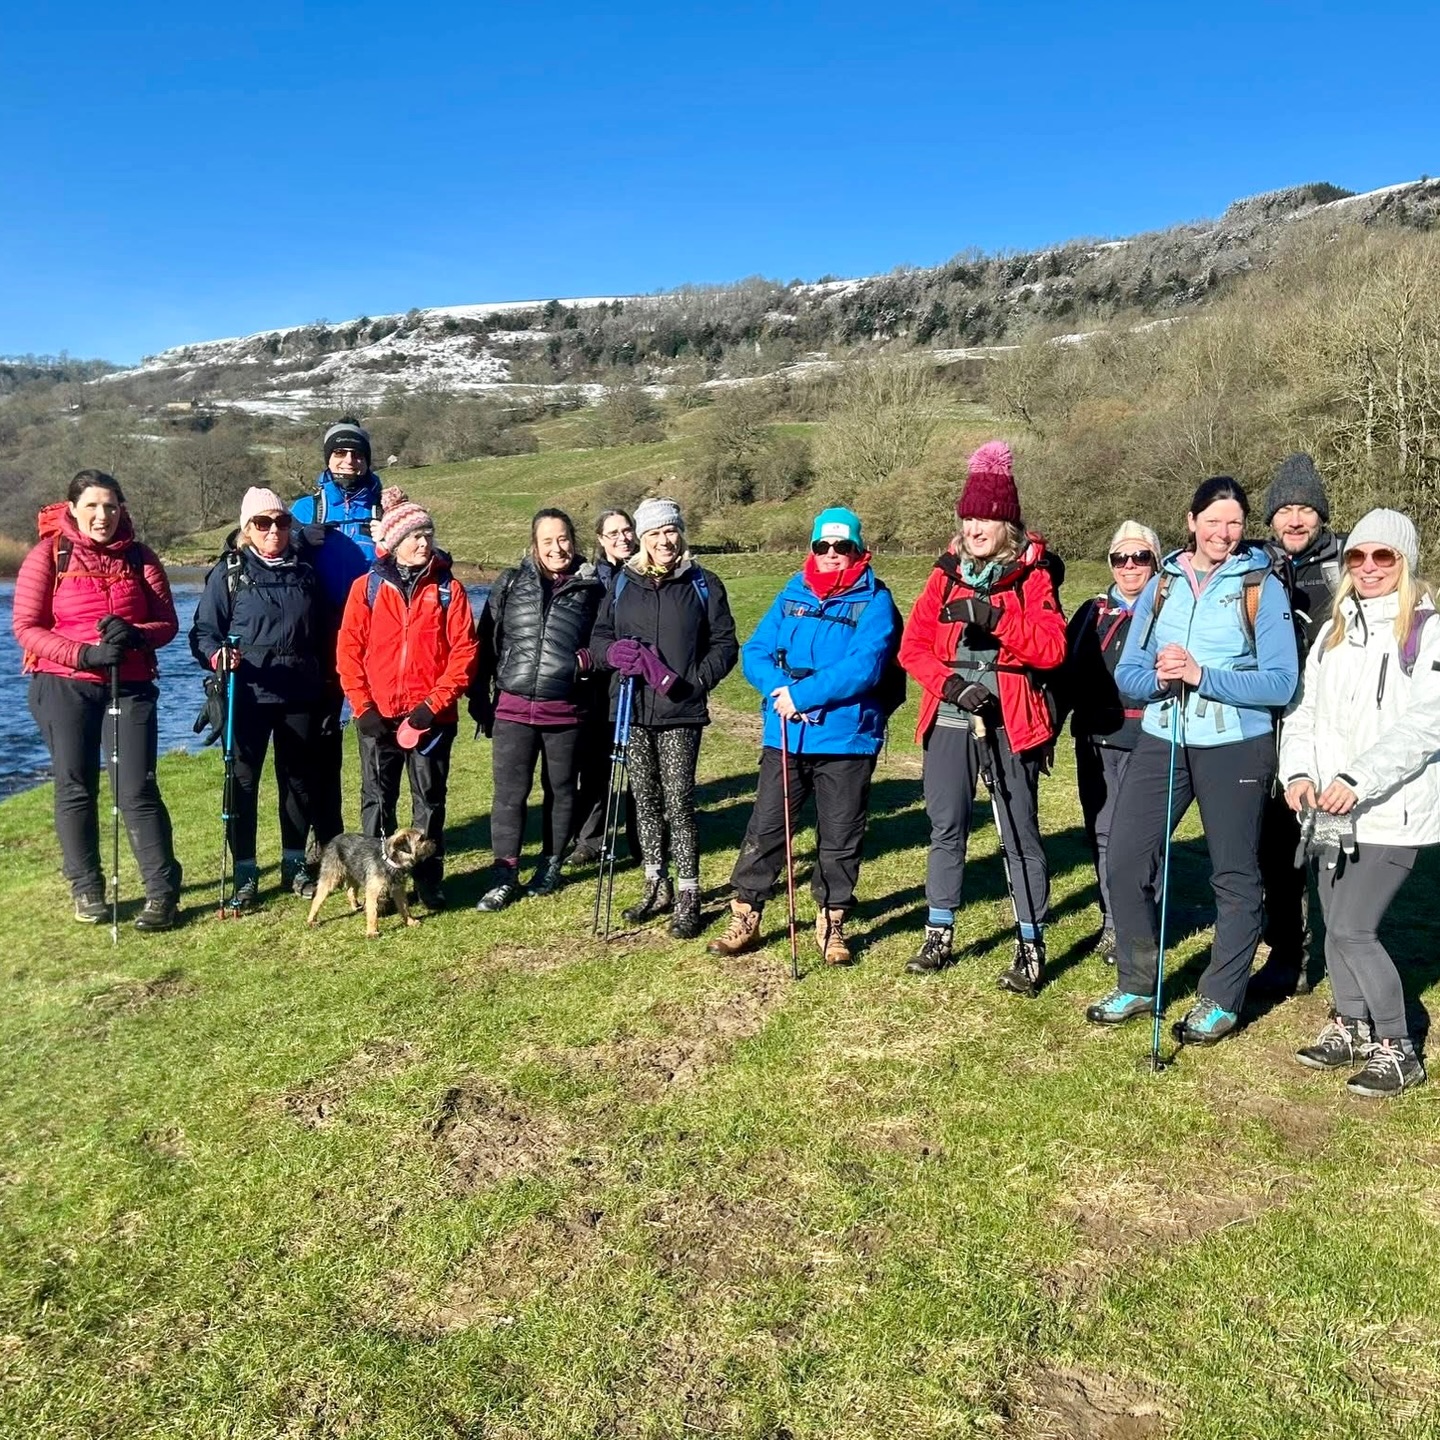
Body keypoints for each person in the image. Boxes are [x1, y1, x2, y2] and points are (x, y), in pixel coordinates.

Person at [1087, 476, 1299, 1045]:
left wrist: (1203, 676)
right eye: (1213, 521)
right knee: (1127, 859)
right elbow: (1129, 674)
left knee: (1232, 875)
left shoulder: (1260, 585)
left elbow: (1281, 683)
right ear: (1191, 521)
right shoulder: (1162, 585)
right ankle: (1137, 981)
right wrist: (1160, 677)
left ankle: (1222, 997)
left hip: (1236, 744)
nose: (1223, 533)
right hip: (1163, 736)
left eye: (1233, 522)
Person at [898, 441, 1066, 994]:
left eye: (987, 517)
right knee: (946, 827)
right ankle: (939, 930)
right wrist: (951, 685)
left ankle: (1030, 944)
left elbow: (1051, 650)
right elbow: (913, 646)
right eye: (969, 516)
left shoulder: (1034, 577)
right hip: (950, 718)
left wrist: (995, 618)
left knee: (1019, 832)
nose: (975, 527)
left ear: (1008, 524)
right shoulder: (944, 575)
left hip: (1011, 720)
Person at [1279, 509, 1436, 1096]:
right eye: (1358, 557)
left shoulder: (1427, 629)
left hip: (1390, 811)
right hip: (1325, 808)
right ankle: (1349, 1021)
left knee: (1352, 929)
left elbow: (1426, 724)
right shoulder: (1333, 629)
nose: (1368, 568)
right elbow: (1304, 711)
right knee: (1330, 919)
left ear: (1404, 561)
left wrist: (1357, 778)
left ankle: (1398, 1046)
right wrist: (1297, 773)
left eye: (1383, 557)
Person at [708, 507, 901, 965]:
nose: (832, 554)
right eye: (823, 546)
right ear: (811, 548)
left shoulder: (876, 601)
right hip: (786, 733)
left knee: (840, 834)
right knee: (767, 828)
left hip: (845, 736)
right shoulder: (791, 592)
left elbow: (866, 664)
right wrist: (779, 688)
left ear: (858, 549)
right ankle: (746, 912)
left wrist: (804, 695)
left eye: (842, 546)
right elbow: (754, 650)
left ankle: (832, 919)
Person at [12, 470, 183, 930]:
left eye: (110, 506)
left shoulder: (141, 558)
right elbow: (26, 628)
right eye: (91, 506)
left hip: (129, 685)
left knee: (137, 789)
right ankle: (87, 889)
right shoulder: (48, 555)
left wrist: (133, 635)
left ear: (121, 509)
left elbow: (167, 624)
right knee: (75, 786)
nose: (102, 515)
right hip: (62, 684)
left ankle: (162, 892)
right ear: (72, 509)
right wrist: (83, 653)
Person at [589, 497, 739, 938]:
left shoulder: (703, 583)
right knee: (645, 800)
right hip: (631, 708)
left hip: (680, 710)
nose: (664, 540)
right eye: (654, 533)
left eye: (670, 531)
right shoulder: (622, 583)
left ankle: (690, 892)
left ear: (681, 532)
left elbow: (725, 644)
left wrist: (697, 681)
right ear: (642, 539)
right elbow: (600, 637)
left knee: (679, 802)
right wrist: (611, 654)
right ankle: (657, 884)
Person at [190, 487, 334, 909]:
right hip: (246, 695)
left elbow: (326, 635)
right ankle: (246, 873)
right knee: (242, 783)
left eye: (282, 522)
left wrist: (330, 687)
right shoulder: (229, 573)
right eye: (263, 523)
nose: (274, 530)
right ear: (246, 528)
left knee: (298, 782)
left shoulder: (306, 573)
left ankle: (294, 866)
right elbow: (202, 633)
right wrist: (218, 655)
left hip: (300, 694)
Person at [335, 488, 477, 911]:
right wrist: (362, 707)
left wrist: (432, 705)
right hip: (377, 717)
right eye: (415, 535)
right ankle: (376, 883)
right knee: (377, 801)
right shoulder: (366, 588)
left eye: (428, 534)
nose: (424, 542)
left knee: (429, 801)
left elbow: (464, 653)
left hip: (430, 719)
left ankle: (428, 880)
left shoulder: (450, 589)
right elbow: (349, 650)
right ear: (394, 542)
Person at [470, 508, 606, 911]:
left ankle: (550, 864)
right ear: (534, 544)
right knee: (509, 796)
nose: (556, 548)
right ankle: (504, 874)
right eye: (547, 541)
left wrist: (583, 663)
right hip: (512, 707)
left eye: (562, 539)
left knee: (561, 791)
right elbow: (487, 643)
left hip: (566, 709)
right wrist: (479, 697)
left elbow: (604, 644)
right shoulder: (511, 583)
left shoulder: (593, 588)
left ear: (574, 541)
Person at [1253, 453, 1345, 998]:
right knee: (1275, 844)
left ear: (1321, 516)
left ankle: (1342, 949)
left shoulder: (1346, 568)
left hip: (1329, 726)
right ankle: (1289, 950)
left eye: (1305, 509)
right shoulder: (1254, 565)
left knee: (1332, 847)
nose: (1294, 520)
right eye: (1285, 509)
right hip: (1265, 725)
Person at [1059, 520, 1162, 962]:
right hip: (1097, 737)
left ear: (1156, 562)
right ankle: (1112, 924)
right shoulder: (1091, 611)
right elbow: (1064, 674)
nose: (1129, 566)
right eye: (1120, 558)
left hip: (1151, 737)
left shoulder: (1172, 609)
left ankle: (1142, 927)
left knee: (1141, 838)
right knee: (1102, 834)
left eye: (1140, 557)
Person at [290, 417, 384, 841]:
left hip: (376, 636)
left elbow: (417, 552)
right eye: (339, 453)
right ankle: (323, 838)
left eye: (357, 454)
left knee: (377, 740)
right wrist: (296, 542)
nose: (349, 461)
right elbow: (270, 555)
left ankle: (379, 836)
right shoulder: (306, 509)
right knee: (321, 746)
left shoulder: (387, 504)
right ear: (327, 459)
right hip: (322, 638)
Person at [571, 508, 640, 864]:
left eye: (626, 530)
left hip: (638, 678)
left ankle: (642, 837)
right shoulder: (590, 580)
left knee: (640, 767)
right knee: (595, 765)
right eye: (612, 533)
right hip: (597, 684)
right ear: (600, 539)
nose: (622, 538)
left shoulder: (645, 573)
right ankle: (590, 839)